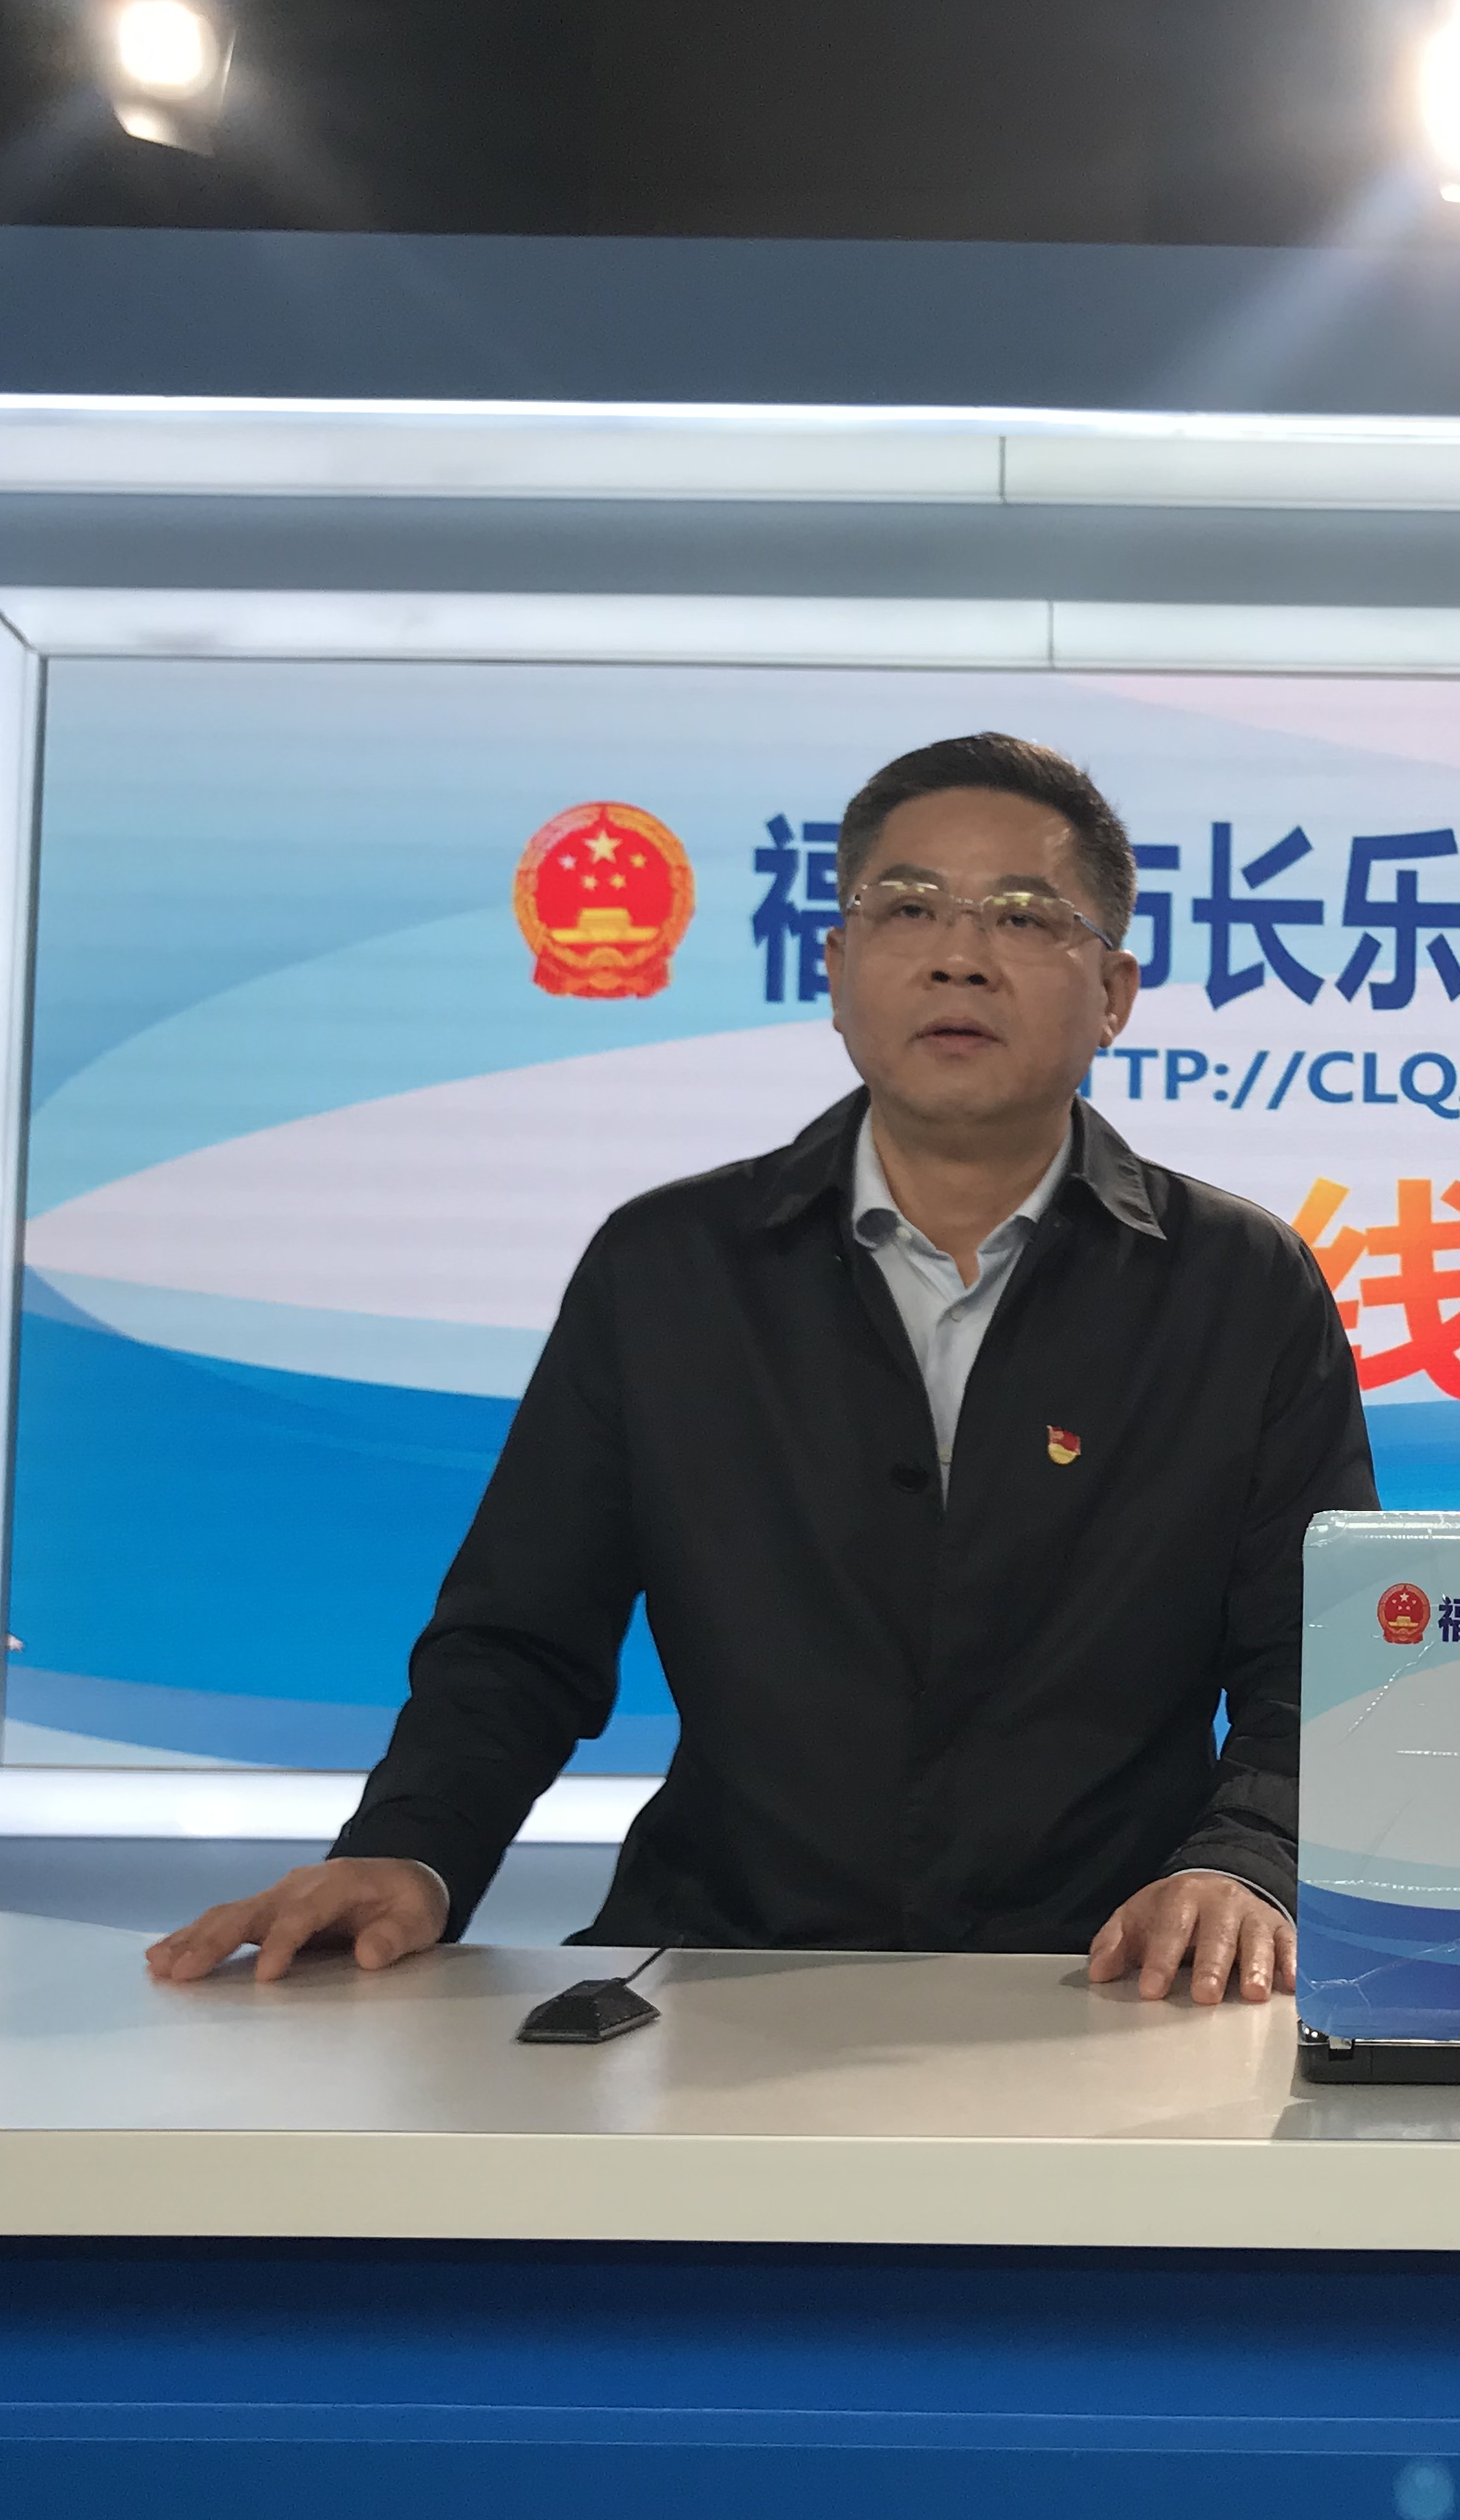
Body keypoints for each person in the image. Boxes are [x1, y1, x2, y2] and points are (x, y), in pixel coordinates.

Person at [148, 732, 1371, 2005]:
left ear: (1114, 991)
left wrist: (1244, 1863)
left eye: (1022, 915)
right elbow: (520, 1638)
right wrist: (411, 1850)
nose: (958, 955)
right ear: (836, 971)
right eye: (909, 908)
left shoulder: (1238, 1287)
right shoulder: (671, 1270)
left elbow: (1316, 1657)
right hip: (719, 1972)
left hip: (1107, 1981)